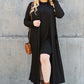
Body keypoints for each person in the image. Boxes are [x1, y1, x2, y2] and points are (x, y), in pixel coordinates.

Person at [24, 0, 65, 84]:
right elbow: (26, 21)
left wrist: (55, 1)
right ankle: (42, 81)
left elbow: (60, 15)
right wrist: (33, 23)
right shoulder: (32, 5)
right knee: (39, 64)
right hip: (36, 39)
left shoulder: (52, 4)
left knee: (44, 57)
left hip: (49, 39)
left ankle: (47, 82)